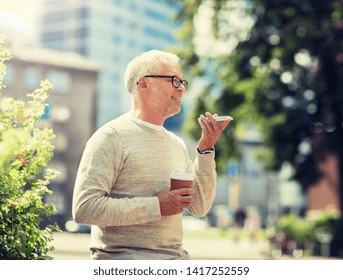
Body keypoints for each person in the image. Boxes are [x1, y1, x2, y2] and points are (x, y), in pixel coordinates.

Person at [72, 49, 233, 260]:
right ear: (144, 84)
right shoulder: (110, 137)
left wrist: (206, 149)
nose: (181, 89)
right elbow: (85, 208)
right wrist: (156, 206)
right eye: (174, 81)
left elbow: (199, 206)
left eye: (183, 83)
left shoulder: (176, 144)